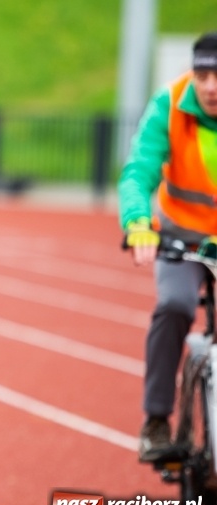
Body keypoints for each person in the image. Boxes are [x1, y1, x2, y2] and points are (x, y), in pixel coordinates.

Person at [118, 30, 217, 462]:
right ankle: (156, 419)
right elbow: (139, 170)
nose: (211, 86)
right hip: (182, 235)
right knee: (175, 305)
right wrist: (139, 222)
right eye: (202, 74)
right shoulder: (171, 103)